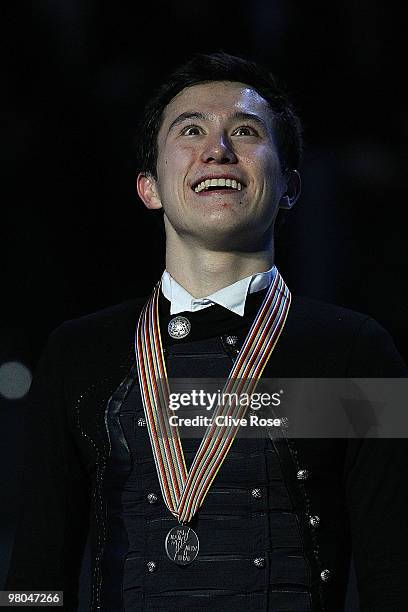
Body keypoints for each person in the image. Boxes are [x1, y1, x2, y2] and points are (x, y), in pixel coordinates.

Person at [6, 51, 408, 612]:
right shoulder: (78, 352)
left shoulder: (354, 352)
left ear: (290, 186)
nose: (217, 150)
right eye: (191, 129)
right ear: (149, 187)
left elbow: (395, 575)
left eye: (244, 132)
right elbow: (34, 575)